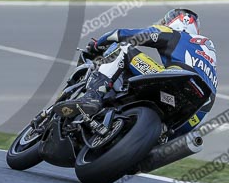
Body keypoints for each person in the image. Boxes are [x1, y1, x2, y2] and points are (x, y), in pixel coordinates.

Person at [54, 9, 217, 136]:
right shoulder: (209, 56)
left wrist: (97, 46)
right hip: (194, 112)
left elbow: (124, 35)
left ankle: (93, 95)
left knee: (123, 48)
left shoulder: (176, 34)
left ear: (176, 22)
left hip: (175, 82)